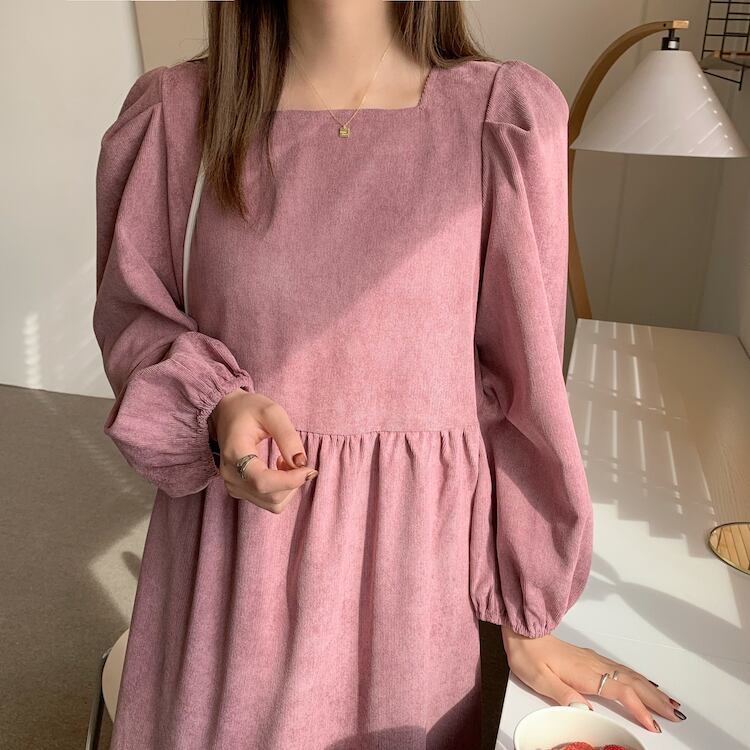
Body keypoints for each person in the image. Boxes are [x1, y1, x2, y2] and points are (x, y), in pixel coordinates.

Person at [93, 1, 684, 748]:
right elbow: (132, 318)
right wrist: (216, 410)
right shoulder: (177, 113)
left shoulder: (501, 117)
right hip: (237, 574)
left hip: (412, 593)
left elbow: (520, 390)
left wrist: (526, 621)